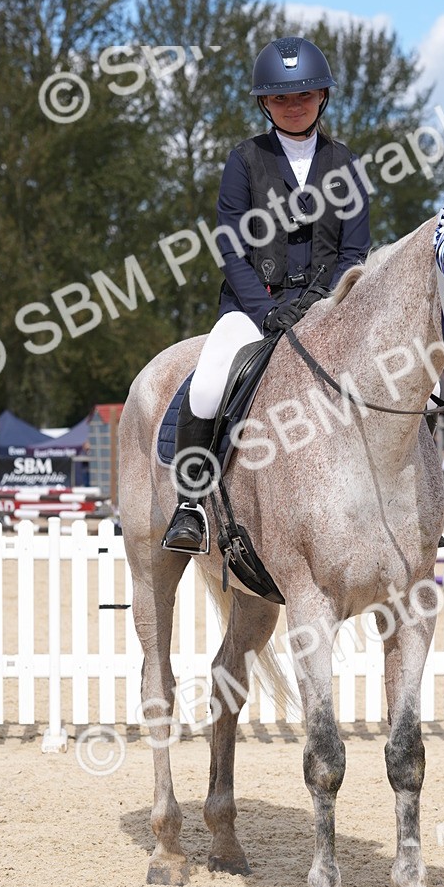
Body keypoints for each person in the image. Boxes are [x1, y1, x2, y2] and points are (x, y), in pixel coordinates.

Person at [163, 36, 371, 552]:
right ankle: (190, 506)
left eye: (304, 95)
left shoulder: (345, 164)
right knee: (208, 384)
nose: (293, 105)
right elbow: (230, 248)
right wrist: (266, 309)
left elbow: (354, 251)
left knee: (384, 373)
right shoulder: (244, 160)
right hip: (251, 309)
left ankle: (398, 500)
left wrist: (321, 304)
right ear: (265, 103)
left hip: (328, 311)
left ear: (322, 96)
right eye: (281, 98)